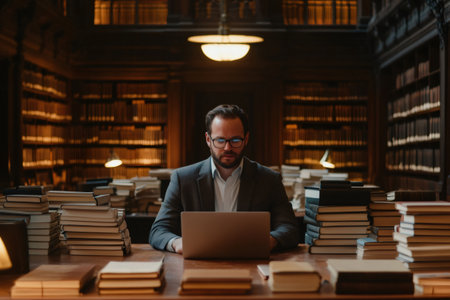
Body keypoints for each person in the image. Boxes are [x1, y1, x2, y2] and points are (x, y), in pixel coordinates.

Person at [149, 104, 299, 253]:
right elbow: (158, 231)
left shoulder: (269, 180)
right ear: (208, 139)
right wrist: (176, 243)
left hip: (252, 265)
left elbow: (289, 228)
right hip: (198, 265)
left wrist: (269, 241)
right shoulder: (182, 179)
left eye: (235, 140)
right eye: (220, 140)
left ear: (246, 139)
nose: (228, 148)